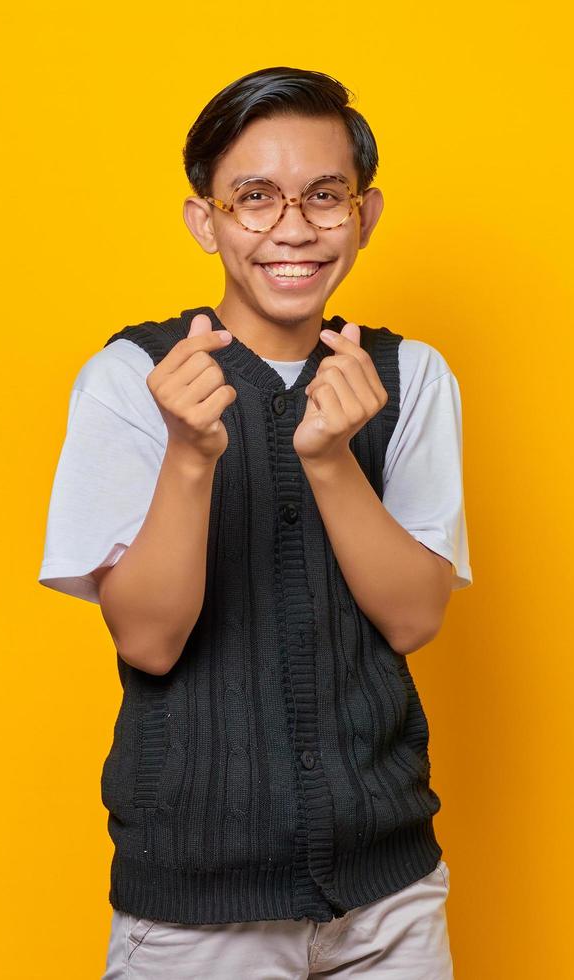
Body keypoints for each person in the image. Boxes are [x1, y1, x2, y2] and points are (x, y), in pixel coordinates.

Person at [38, 66, 472, 978]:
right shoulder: (130, 380)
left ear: (366, 213)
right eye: (256, 198)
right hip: (198, 907)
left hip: (391, 895)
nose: (294, 228)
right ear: (206, 221)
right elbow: (150, 640)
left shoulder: (412, 376)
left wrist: (329, 458)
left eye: (324, 196)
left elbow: (414, 618)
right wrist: (190, 455)